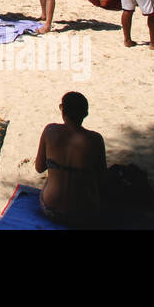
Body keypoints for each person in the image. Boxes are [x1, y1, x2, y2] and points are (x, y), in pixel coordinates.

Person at [34, 92, 106, 226]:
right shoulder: (95, 139)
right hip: (84, 213)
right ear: (85, 114)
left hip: (50, 208)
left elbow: (39, 168)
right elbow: (102, 178)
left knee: (53, 175)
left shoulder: (50, 131)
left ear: (62, 109)